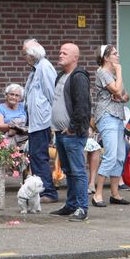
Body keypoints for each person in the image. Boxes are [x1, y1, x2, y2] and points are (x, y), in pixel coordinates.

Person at [51, 42, 91, 222]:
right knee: (68, 170)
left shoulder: (78, 77)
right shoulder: (60, 75)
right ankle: (71, 204)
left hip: (72, 133)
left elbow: (82, 106)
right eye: (60, 52)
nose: (60, 55)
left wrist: (73, 127)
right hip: (60, 132)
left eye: (64, 53)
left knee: (78, 171)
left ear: (75, 57)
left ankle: (82, 207)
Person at [92, 44, 130, 207]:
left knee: (120, 155)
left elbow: (125, 94)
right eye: (114, 53)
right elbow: (116, 89)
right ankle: (98, 194)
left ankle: (115, 193)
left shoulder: (113, 75)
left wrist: (122, 97)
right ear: (106, 57)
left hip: (118, 116)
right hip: (106, 116)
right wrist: (120, 72)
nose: (117, 56)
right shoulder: (102, 72)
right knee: (111, 155)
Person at [23, 39, 58, 203]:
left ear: (32, 55)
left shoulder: (44, 68)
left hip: (43, 121)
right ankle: (42, 190)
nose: (24, 57)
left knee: (39, 155)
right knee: (36, 155)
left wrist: (53, 121)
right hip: (36, 121)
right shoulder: (36, 69)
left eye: (25, 54)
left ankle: (48, 192)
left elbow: (53, 94)